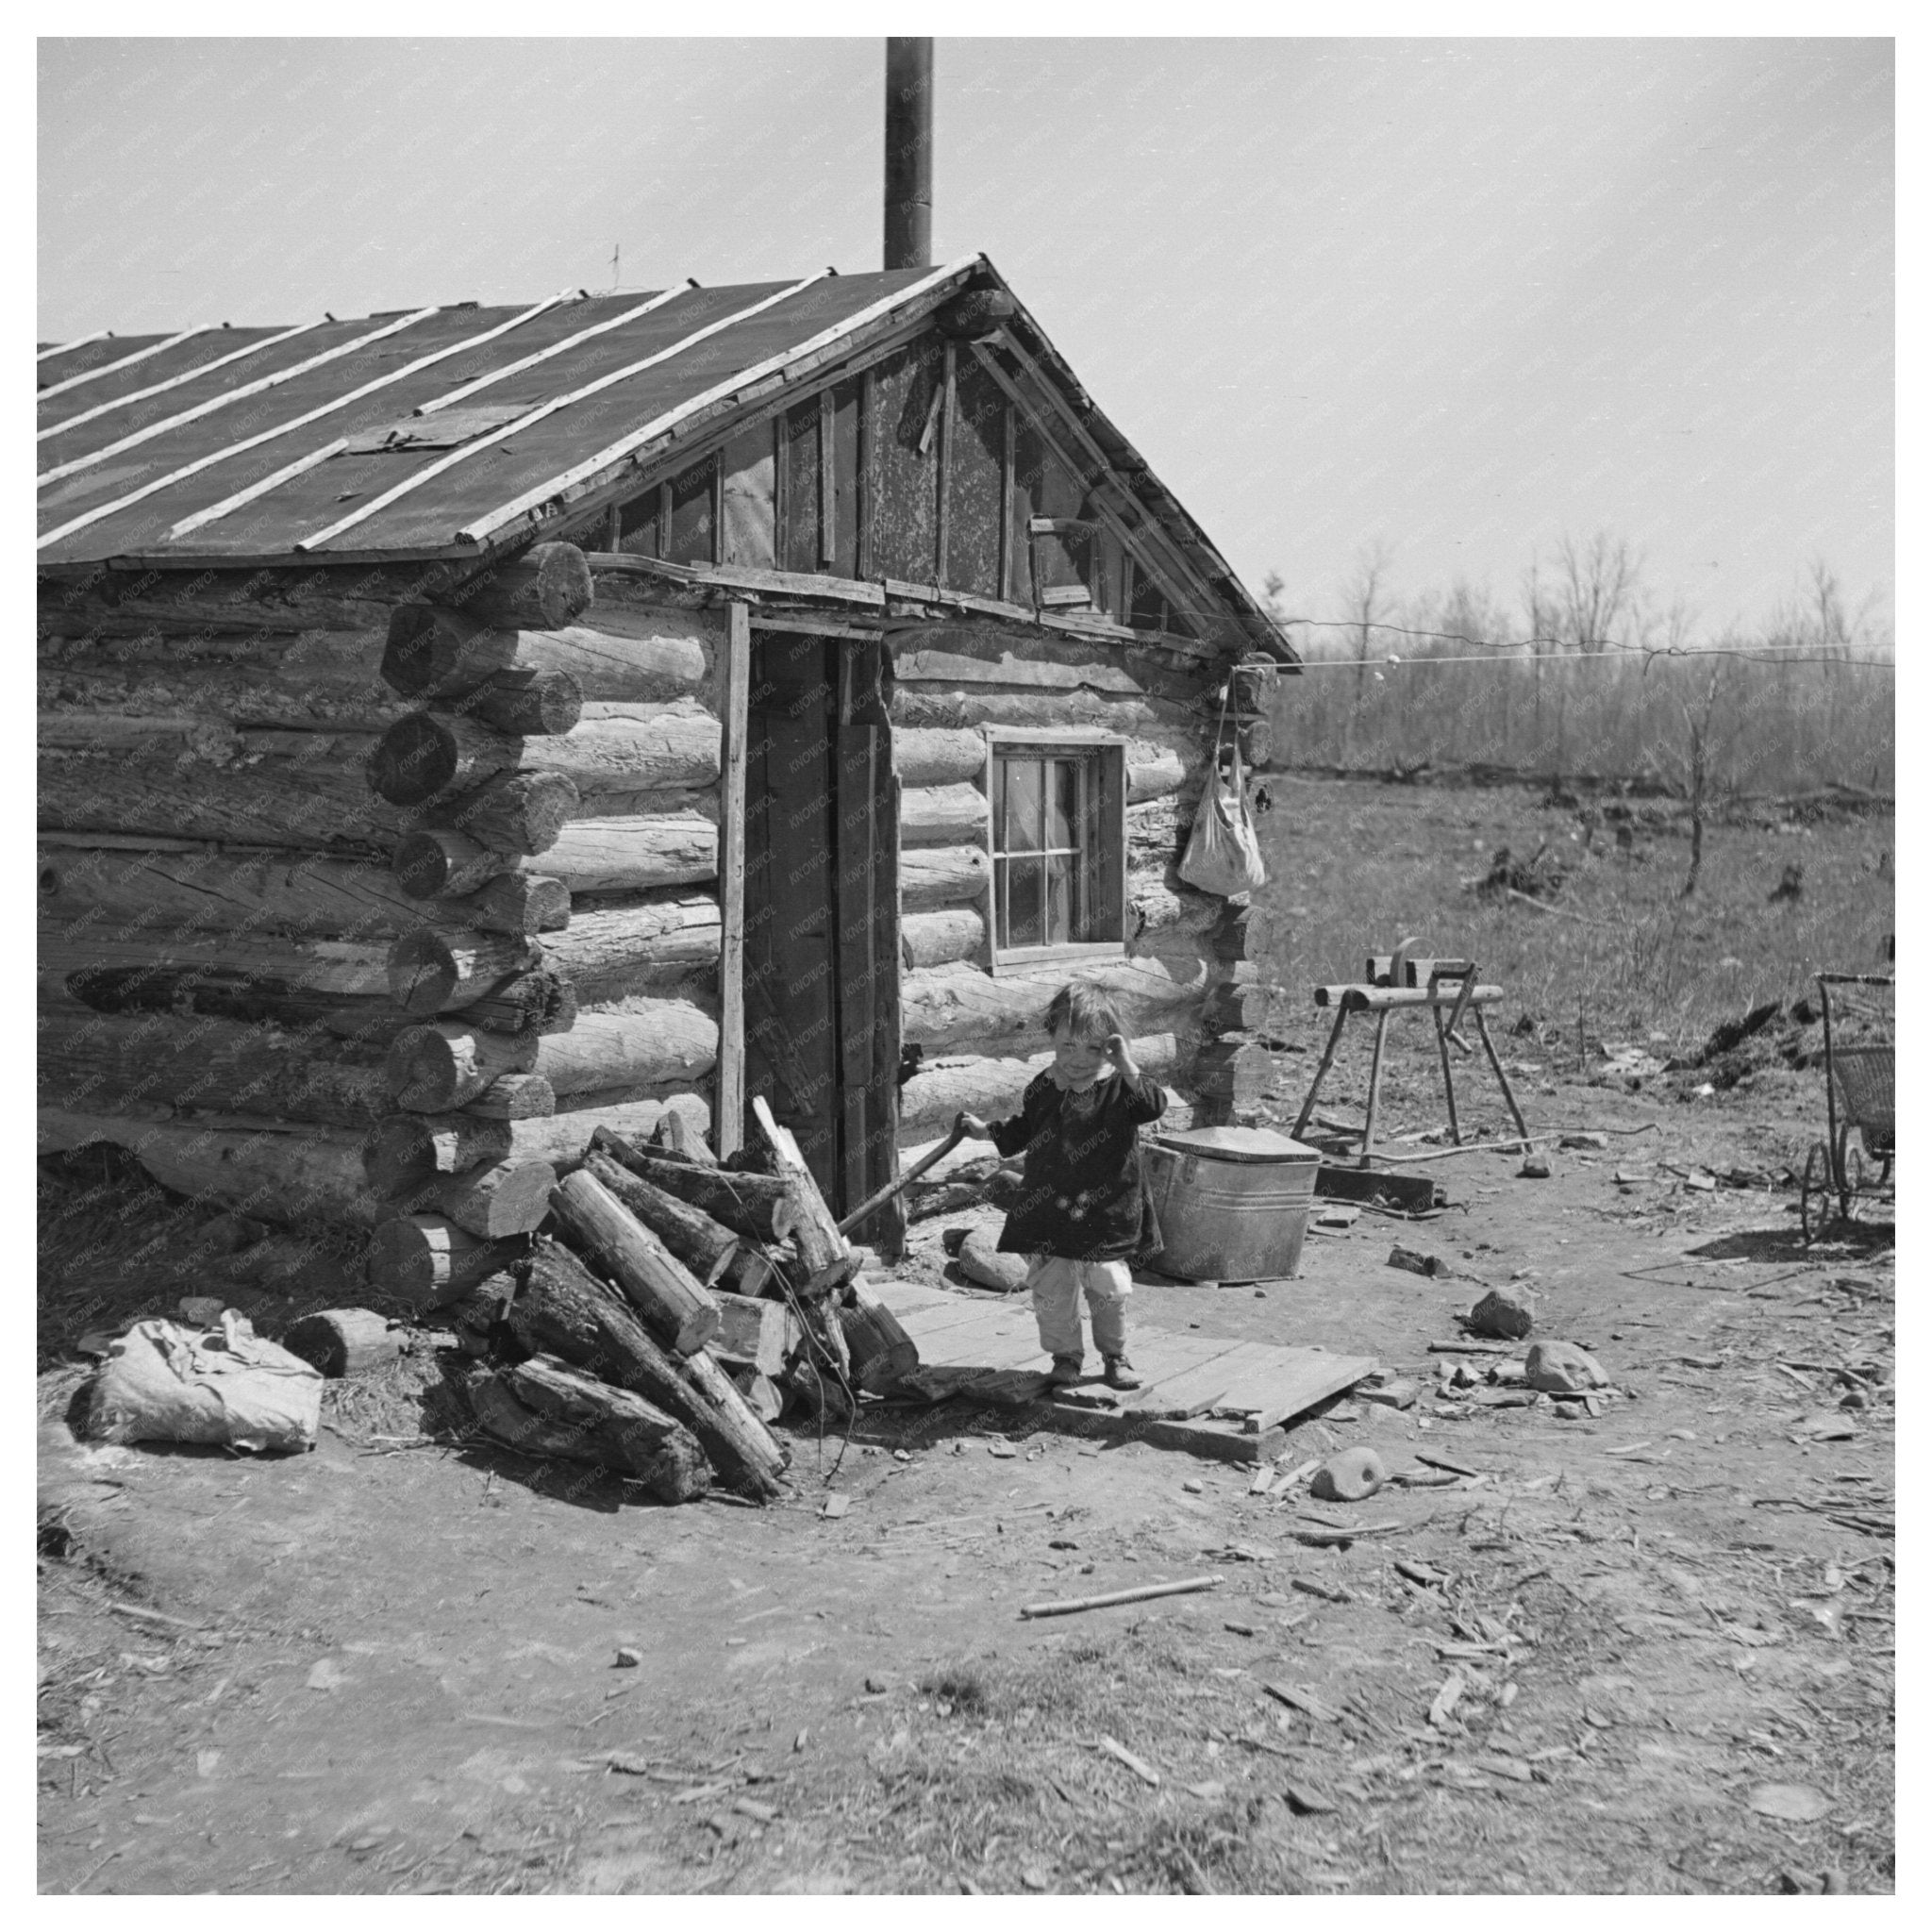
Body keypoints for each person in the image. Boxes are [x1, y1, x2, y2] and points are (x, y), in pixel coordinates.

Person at [959, 984, 1166, 1390]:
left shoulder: (1120, 1087)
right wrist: (987, 1132)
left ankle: (1115, 1355)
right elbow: (1025, 1127)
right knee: (1052, 1288)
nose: (1076, 1059)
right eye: (1067, 1045)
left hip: (1106, 1208)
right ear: (1052, 1035)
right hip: (1050, 1207)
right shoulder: (1044, 1086)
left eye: (1093, 1049)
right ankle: (1065, 1359)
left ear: (1110, 1048)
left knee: (1107, 1283)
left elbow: (1152, 1106)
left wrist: (1125, 1063)